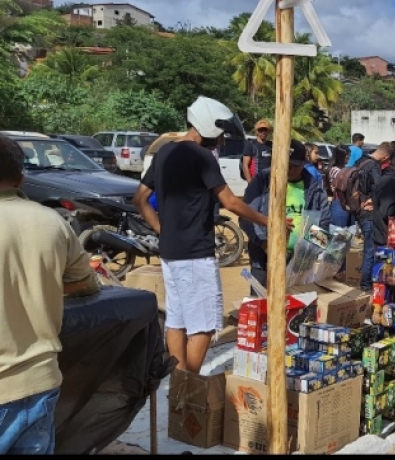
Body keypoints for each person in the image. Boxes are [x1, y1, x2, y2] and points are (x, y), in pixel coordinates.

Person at [134, 96, 270, 374]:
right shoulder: (201, 156)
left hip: (171, 252)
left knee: (177, 320)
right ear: (209, 127)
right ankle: (189, 383)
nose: (221, 142)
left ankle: (179, 383)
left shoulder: (164, 153)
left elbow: (140, 199)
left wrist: (162, 229)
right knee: (204, 326)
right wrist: (266, 220)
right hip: (196, 253)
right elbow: (231, 202)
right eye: (220, 136)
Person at [0, 135, 99, 454]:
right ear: (21, 178)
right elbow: (86, 284)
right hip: (40, 382)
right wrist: (43, 286)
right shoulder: (51, 221)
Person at [241, 139, 332, 289]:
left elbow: (324, 223)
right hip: (264, 259)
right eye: (285, 164)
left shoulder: (314, 188)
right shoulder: (262, 181)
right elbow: (246, 216)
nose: (288, 170)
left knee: (295, 307)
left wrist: (310, 251)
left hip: (298, 264)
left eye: (294, 166)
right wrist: (264, 243)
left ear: (304, 163)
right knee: (260, 305)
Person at [356, 143, 392, 291]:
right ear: (386, 157)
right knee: (371, 250)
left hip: (360, 210)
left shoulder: (361, 161)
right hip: (370, 212)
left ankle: (365, 282)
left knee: (368, 249)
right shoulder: (375, 167)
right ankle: (366, 285)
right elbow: (380, 187)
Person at [328, 145, 354, 229]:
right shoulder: (335, 170)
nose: (348, 160)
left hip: (344, 202)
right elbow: (342, 187)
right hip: (339, 202)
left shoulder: (343, 169)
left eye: (348, 157)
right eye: (346, 158)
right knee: (339, 233)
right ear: (340, 157)